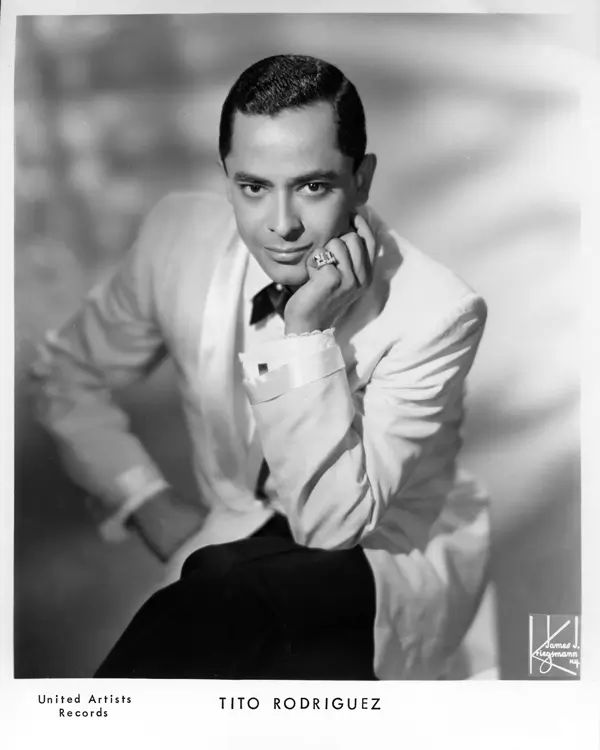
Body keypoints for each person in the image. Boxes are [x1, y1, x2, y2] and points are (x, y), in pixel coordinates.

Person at [33, 54, 490, 680]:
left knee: (226, 591)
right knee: (220, 586)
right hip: (224, 567)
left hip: (376, 570)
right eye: (253, 188)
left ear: (362, 180)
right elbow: (66, 372)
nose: (282, 227)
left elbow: (332, 528)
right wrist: (141, 498)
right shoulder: (178, 242)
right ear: (226, 179)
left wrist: (307, 333)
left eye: (313, 186)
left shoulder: (438, 310)